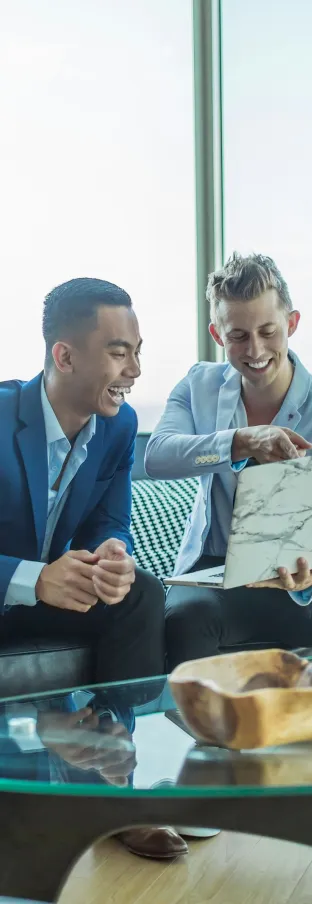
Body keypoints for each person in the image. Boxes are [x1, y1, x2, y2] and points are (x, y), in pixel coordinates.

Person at [0, 277, 184, 860]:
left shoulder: (119, 426)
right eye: (118, 352)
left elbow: (111, 518)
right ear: (64, 355)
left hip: (51, 603)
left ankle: (111, 787)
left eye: (137, 352)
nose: (134, 370)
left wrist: (114, 556)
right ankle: (38, 773)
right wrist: (33, 578)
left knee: (141, 596)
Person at [145, 252, 312, 669]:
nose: (255, 350)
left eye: (268, 331)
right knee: (184, 617)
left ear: (292, 324)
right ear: (217, 335)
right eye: (238, 336)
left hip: (302, 574)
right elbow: (158, 457)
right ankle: (204, 735)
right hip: (217, 571)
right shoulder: (198, 387)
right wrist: (240, 442)